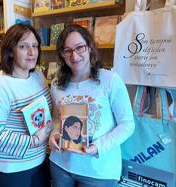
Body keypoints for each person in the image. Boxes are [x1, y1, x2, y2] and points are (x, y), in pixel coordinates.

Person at [49, 24, 135, 187]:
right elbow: (56, 118)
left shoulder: (110, 80)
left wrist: (97, 147)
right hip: (60, 165)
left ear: (89, 47)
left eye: (80, 47)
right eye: (67, 50)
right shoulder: (56, 84)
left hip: (98, 170)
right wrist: (53, 135)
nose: (74, 56)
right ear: (62, 55)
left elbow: (127, 125)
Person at [0, 23, 52, 187]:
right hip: (10, 168)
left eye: (35, 46)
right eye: (23, 46)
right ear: (10, 51)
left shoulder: (38, 76)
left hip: (37, 159)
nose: (32, 52)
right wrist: (34, 141)